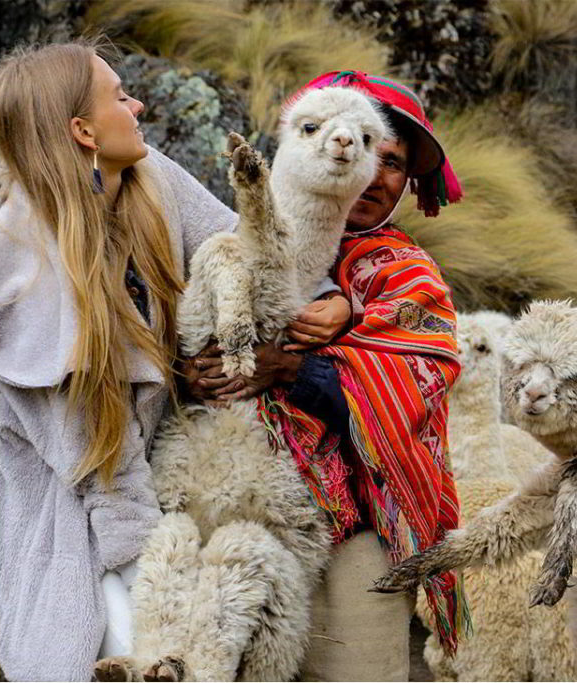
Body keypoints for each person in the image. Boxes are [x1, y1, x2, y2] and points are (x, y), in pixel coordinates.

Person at [0, 42, 349, 681]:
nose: (136, 105)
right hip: (76, 506)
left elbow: (239, 248)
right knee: (116, 651)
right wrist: (159, 576)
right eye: (118, 96)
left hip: (155, 475)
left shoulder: (150, 176)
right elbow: (93, 462)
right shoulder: (20, 273)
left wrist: (330, 303)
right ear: (83, 131)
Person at [184, 70, 468, 681]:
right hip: (220, 488)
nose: (379, 171)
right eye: (374, 151)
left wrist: (292, 367)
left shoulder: (407, 276)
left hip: (352, 522)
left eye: (392, 161)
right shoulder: (226, 236)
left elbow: (418, 385)